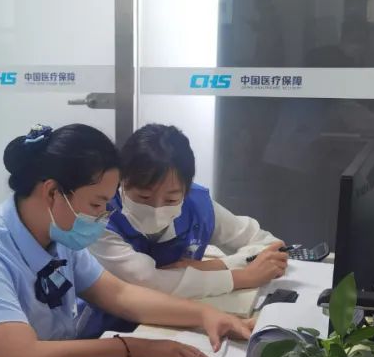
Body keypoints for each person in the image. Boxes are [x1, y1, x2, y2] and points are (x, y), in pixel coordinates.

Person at [0, 124, 256, 357]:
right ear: (52, 193)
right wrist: (132, 349)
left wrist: (205, 315)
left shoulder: (58, 237)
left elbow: (120, 294)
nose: (104, 215)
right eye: (96, 204)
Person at [91, 124, 288, 308]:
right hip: (113, 321)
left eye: (171, 199)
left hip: (183, 314)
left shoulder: (197, 205)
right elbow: (147, 280)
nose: (156, 207)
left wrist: (213, 266)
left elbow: (270, 245)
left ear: (186, 191)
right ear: (122, 182)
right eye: (143, 196)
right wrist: (242, 278)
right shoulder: (99, 214)